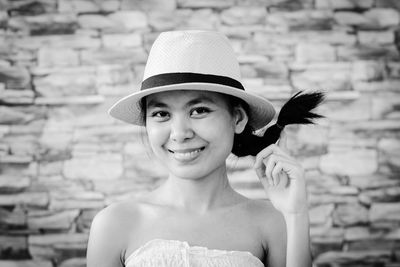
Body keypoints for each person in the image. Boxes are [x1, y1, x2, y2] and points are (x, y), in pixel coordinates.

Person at [86, 30, 324, 267]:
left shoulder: (273, 222)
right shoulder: (114, 225)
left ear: (238, 119)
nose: (179, 134)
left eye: (199, 110)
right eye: (161, 114)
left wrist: (295, 214)